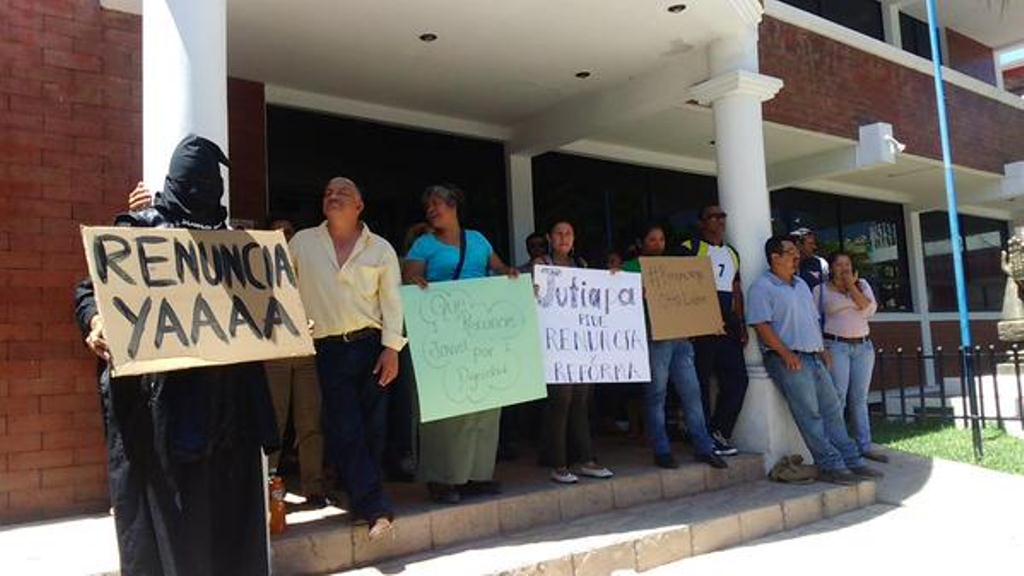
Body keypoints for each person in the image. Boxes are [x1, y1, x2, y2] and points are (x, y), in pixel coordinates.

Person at [75, 134, 278, 575]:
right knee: (176, 530)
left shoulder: (236, 244)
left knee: (231, 528)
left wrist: (282, 323)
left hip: (231, 419)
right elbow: (89, 292)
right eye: (195, 184)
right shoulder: (139, 232)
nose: (205, 193)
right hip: (167, 416)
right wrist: (95, 323)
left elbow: (261, 310)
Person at [289, 177, 404, 539]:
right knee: (346, 427)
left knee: (373, 429)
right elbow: (282, 288)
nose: (333, 196)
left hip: (370, 346)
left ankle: (361, 501)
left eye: (343, 193)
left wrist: (392, 349)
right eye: (327, 193)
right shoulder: (302, 242)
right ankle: (376, 509)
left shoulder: (380, 248)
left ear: (360, 206)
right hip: (327, 349)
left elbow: (392, 302)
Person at [404, 183, 519, 504]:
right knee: (447, 408)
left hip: (479, 334)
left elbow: (498, 269)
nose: (431, 210)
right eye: (428, 205)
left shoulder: (479, 240)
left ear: (454, 206)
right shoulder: (424, 245)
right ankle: (442, 479)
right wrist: (417, 282)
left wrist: (510, 276)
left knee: (483, 404)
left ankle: (476, 474)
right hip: (443, 335)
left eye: (437, 203)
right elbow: (409, 279)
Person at [747, 236, 883, 485]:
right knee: (810, 413)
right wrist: (786, 354)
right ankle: (830, 465)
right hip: (788, 359)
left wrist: (821, 348)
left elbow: (811, 320)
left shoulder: (800, 285)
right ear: (774, 257)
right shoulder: (762, 287)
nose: (796, 256)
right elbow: (761, 325)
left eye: (795, 251)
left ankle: (852, 460)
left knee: (832, 409)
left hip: (814, 355)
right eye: (789, 252)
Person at [623, 224, 727, 470]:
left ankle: (704, 446)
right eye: (652, 239)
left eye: (661, 239)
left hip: (682, 339)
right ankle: (661, 449)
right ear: (642, 242)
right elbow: (620, 298)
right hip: (655, 339)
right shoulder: (630, 267)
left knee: (692, 393)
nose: (658, 243)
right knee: (656, 395)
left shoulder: (675, 266)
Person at [536, 221, 614, 483]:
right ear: (549, 237)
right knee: (561, 402)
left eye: (568, 233)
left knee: (581, 401)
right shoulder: (541, 264)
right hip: (554, 345)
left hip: (580, 346)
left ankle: (586, 459)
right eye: (558, 233)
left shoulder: (581, 266)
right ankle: (558, 463)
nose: (563, 238)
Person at [262, 216, 327, 506]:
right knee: (273, 422)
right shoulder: (257, 266)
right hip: (275, 351)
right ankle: (267, 487)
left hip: (306, 351)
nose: (283, 236)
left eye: (288, 231)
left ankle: (314, 486)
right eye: (276, 231)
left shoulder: (309, 265)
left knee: (310, 421)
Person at [681, 205, 748, 457]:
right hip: (701, 325)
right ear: (701, 222)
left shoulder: (732, 253)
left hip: (728, 324)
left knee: (738, 379)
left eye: (722, 216)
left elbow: (736, 288)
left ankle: (720, 430)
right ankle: (702, 434)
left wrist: (740, 322)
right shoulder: (690, 248)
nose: (719, 220)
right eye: (713, 216)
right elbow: (679, 285)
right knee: (700, 383)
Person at [813, 253, 887, 463]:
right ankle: (838, 444)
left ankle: (864, 445)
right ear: (831, 268)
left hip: (863, 346)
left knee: (859, 399)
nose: (844, 268)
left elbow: (868, 309)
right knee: (838, 397)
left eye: (847, 264)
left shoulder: (862, 285)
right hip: (836, 346)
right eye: (839, 264)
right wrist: (821, 348)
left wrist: (851, 286)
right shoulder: (820, 290)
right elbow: (814, 319)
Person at [790, 227, 830, 292]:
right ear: (799, 245)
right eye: (810, 244)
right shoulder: (787, 265)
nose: (814, 247)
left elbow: (827, 288)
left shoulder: (820, 263)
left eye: (814, 244)